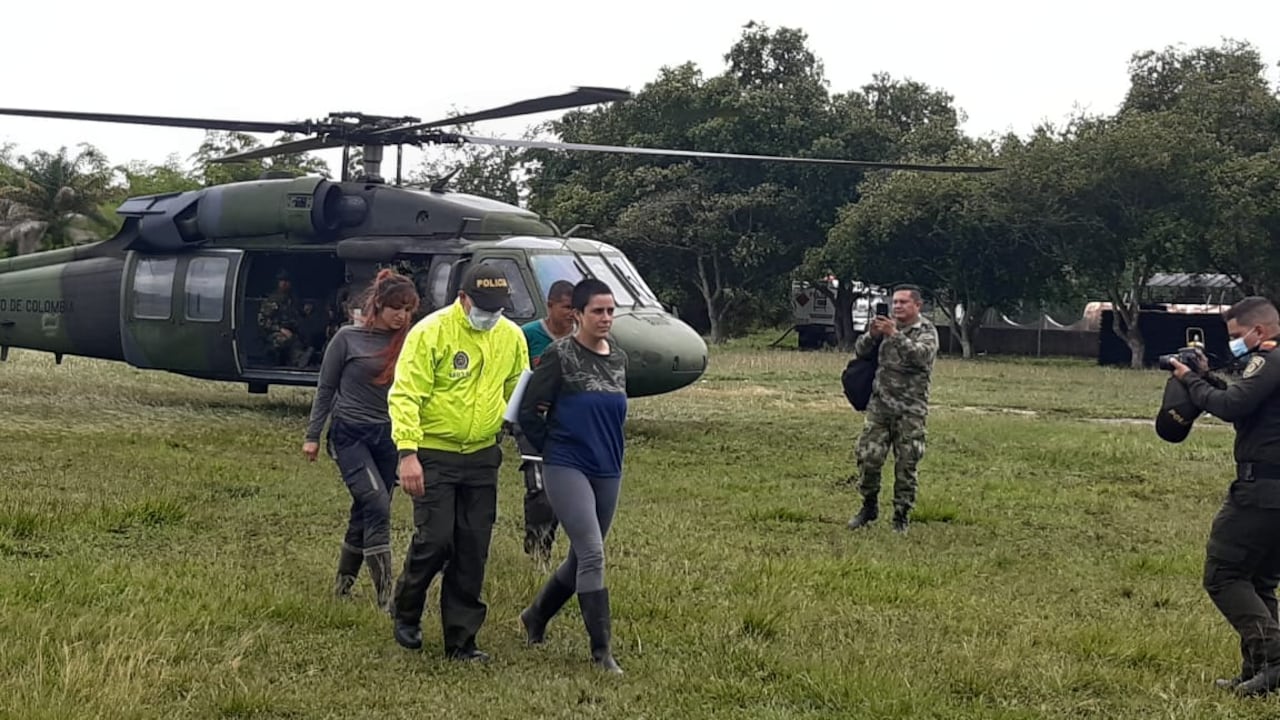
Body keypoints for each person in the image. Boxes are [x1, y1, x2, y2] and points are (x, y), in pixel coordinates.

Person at [387, 263, 529, 662]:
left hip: (483, 455)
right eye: (483, 306)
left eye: (498, 307)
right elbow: (406, 395)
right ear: (463, 299)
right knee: (434, 540)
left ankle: (461, 640)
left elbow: (516, 390)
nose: (490, 314)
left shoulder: (510, 336)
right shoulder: (431, 333)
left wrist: (522, 428)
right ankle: (407, 609)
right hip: (433, 452)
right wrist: (408, 454)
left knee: (472, 547)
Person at [1170, 296, 1280, 696]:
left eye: (1237, 335)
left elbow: (1232, 406)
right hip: (1274, 493)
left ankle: (1275, 657)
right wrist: (1207, 379)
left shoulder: (1270, 360)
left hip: (1261, 490)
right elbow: (1249, 406)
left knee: (1224, 575)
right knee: (1259, 580)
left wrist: (1189, 381)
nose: (1234, 342)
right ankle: (1260, 673)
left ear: (1260, 331)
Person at [516, 278, 628, 674]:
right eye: (598, 311)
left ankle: (535, 616)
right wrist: (554, 448)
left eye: (611, 310)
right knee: (594, 552)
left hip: (608, 467)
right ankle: (602, 653)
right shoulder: (559, 355)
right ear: (578, 314)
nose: (606, 318)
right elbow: (528, 411)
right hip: (567, 465)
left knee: (580, 556)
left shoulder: (618, 358)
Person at [302, 268, 420, 612]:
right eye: (396, 308)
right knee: (378, 504)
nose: (402, 316)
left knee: (365, 508)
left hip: (389, 437)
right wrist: (312, 435)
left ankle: (343, 585)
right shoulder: (347, 338)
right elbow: (326, 388)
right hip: (350, 433)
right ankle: (387, 598)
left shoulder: (411, 341)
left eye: (408, 310)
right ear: (379, 306)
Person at [846, 285, 939, 534]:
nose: (897, 306)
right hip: (880, 406)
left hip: (911, 410)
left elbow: (921, 357)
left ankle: (901, 515)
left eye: (903, 302)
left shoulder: (926, 330)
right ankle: (868, 506)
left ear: (917, 305)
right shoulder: (883, 326)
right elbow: (860, 351)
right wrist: (873, 335)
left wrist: (894, 334)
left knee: (906, 464)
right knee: (868, 457)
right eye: (895, 302)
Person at [515, 279, 577, 562]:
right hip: (530, 420)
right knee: (539, 487)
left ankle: (547, 542)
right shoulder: (526, 336)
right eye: (565, 307)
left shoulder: (582, 339)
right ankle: (537, 548)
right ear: (550, 305)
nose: (571, 313)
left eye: (575, 308)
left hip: (566, 423)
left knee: (561, 491)